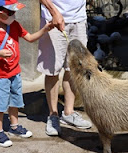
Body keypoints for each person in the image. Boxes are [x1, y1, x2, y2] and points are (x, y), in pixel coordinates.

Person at [0, 0, 53, 148]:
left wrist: (45, 29)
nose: (14, 14)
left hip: (15, 73)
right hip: (0, 75)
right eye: (10, 12)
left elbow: (30, 38)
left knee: (15, 101)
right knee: (0, 105)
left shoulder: (14, 25)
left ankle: (14, 126)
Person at [37, 0, 92, 136]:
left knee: (73, 68)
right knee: (52, 70)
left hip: (79, 19)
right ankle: (53, 115)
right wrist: (54, 12)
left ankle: (69, 112)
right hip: (54, 19)